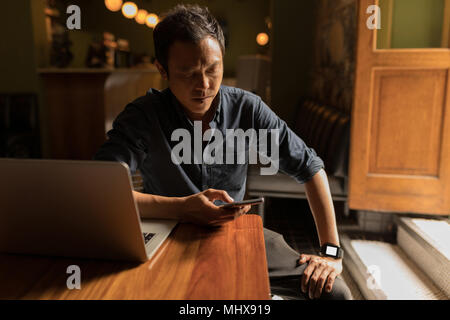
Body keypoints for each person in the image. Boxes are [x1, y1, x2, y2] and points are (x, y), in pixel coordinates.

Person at [94, 4, 352, 300]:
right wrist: (181, 208)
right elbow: (102, 190)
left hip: (235, 236)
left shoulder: (247, 108)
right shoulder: (143, 116)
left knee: (336, 293)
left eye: (212, 69)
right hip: (165, 236)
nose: (203, 85)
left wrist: (331, 252)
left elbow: (311, 167)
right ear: (162, 70)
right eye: (188, 73)